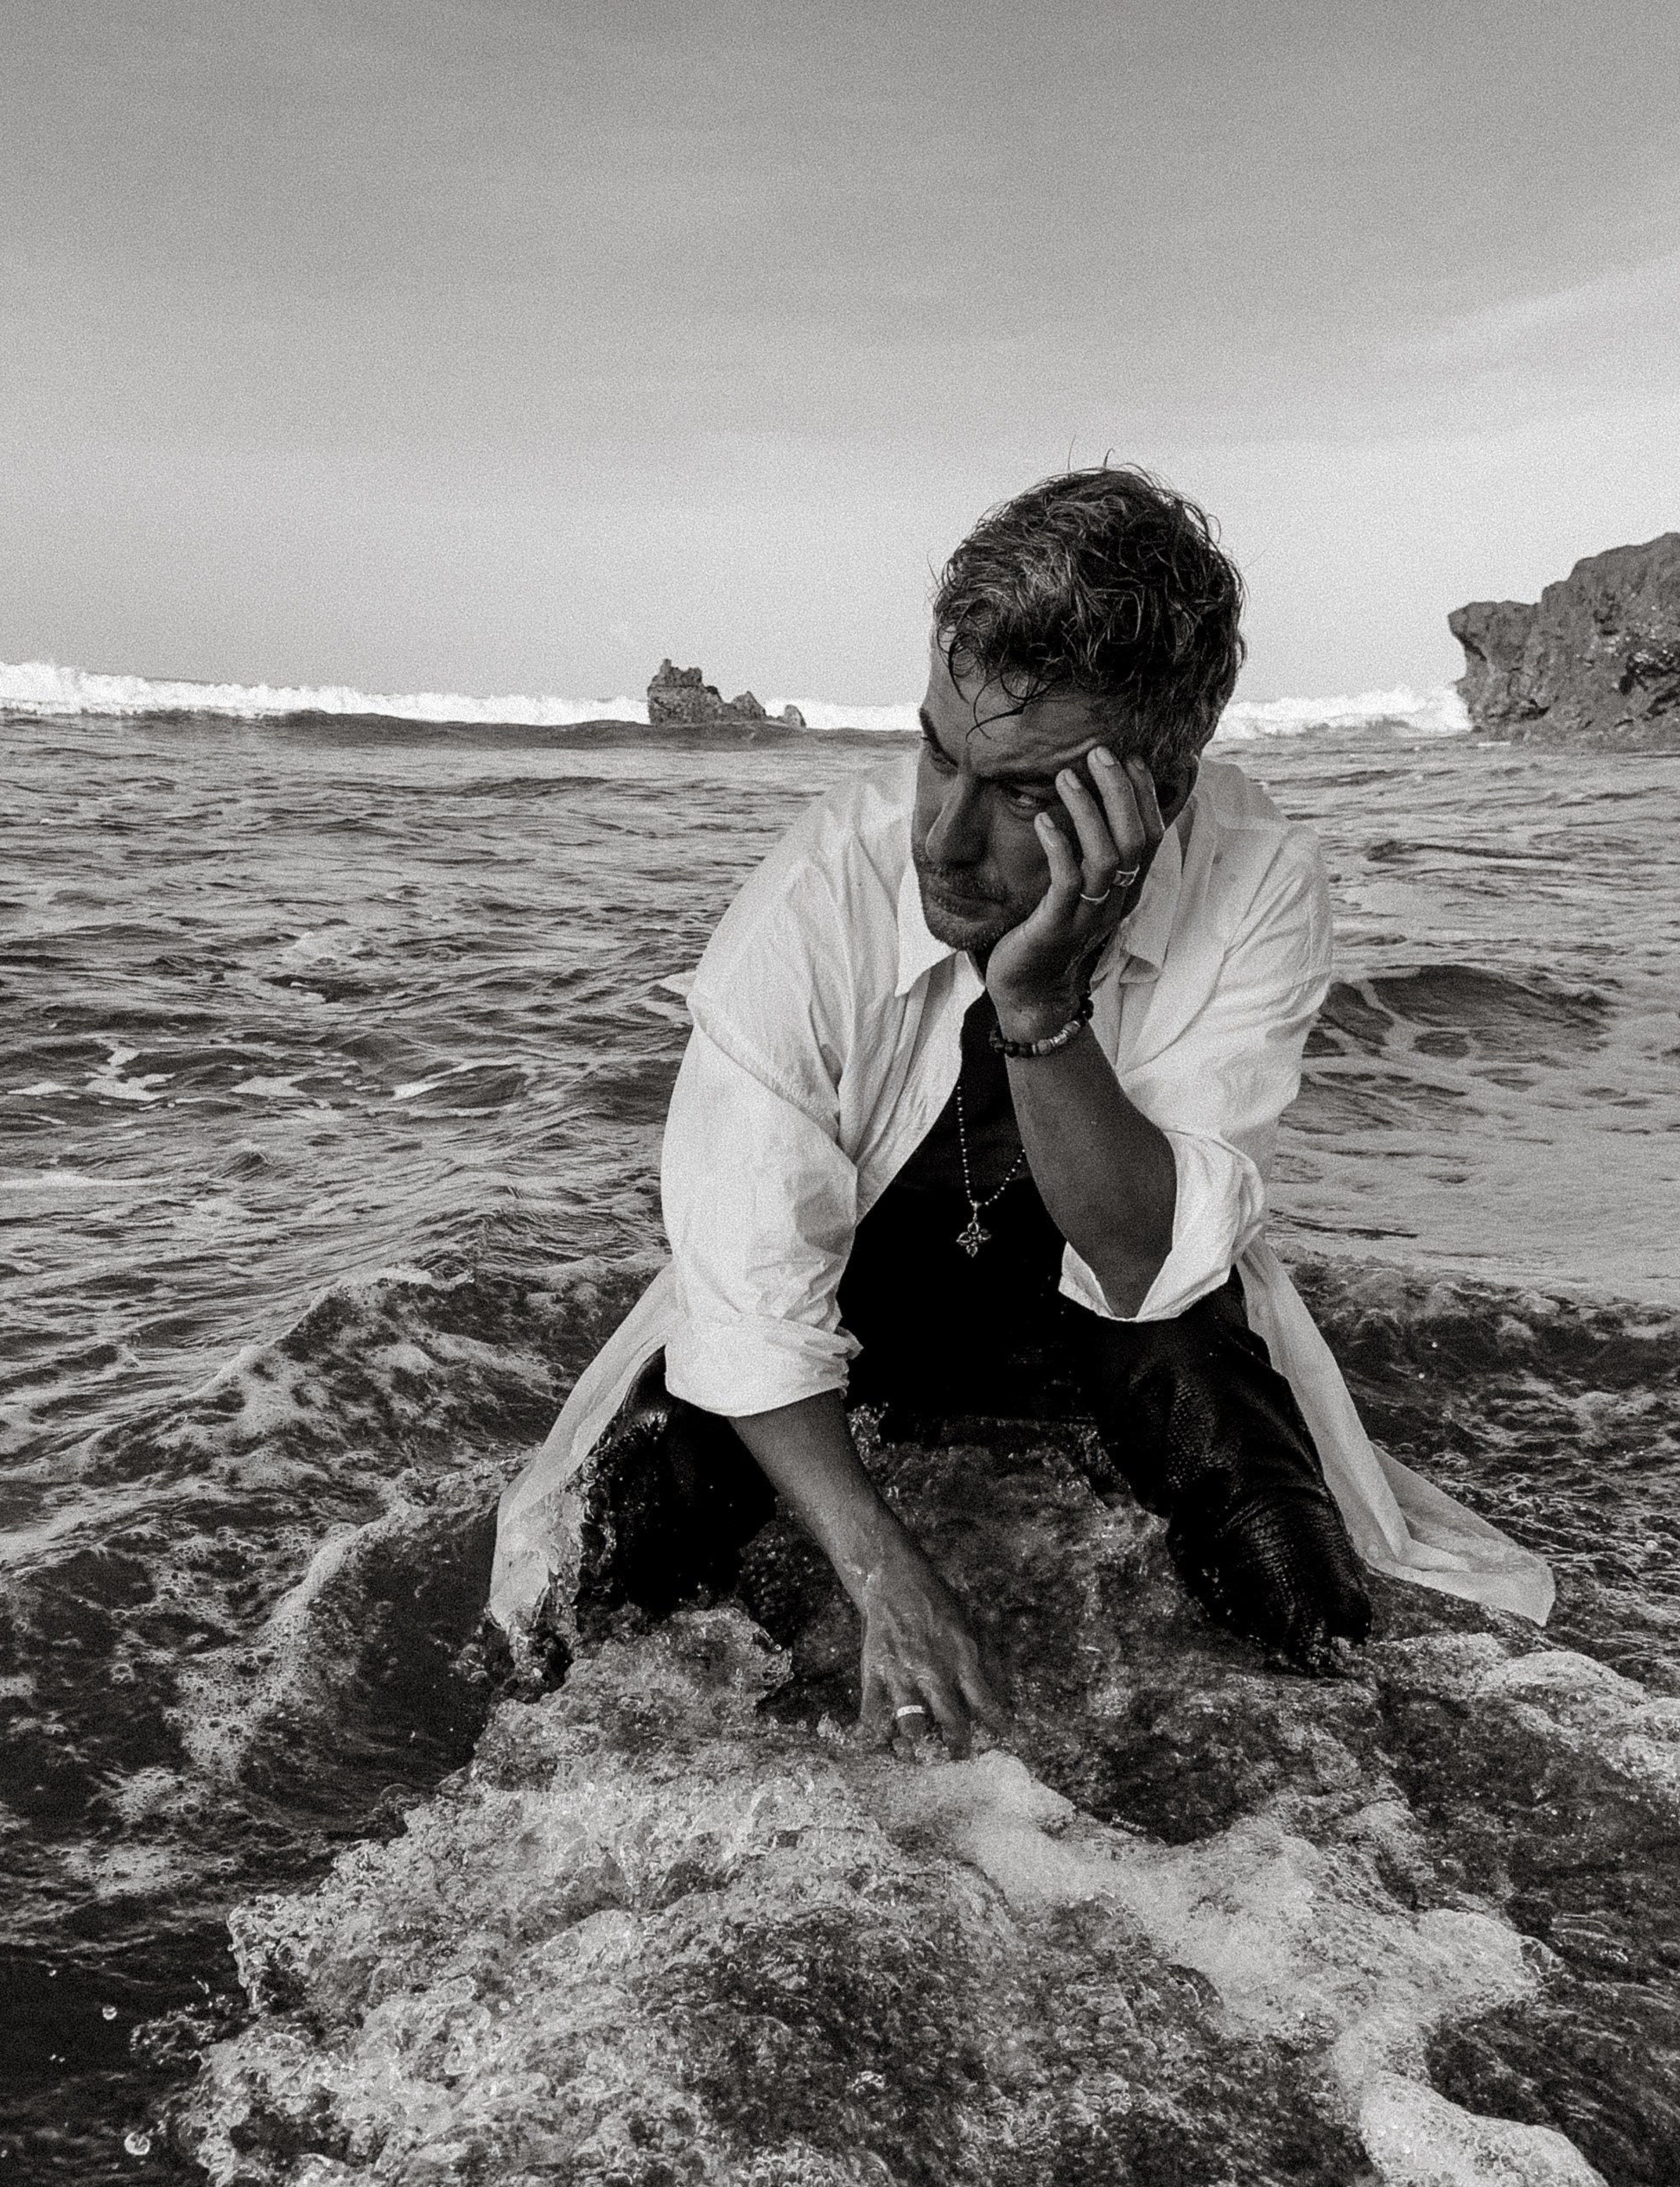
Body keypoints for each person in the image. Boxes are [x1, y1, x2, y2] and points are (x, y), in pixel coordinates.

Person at [490, 468, 1553, 1746]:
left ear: (1153, 795)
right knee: (583, 1624)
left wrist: (1039, 1003)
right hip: (851, 1317)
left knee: (1314, 1630)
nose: (940, 836)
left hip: (1109, 1323)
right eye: (938, 752)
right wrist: (888, 1578)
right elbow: (750, 1298)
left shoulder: (1257, 879)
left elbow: (1145, 1258)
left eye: (1023, 792)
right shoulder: (816, 897)